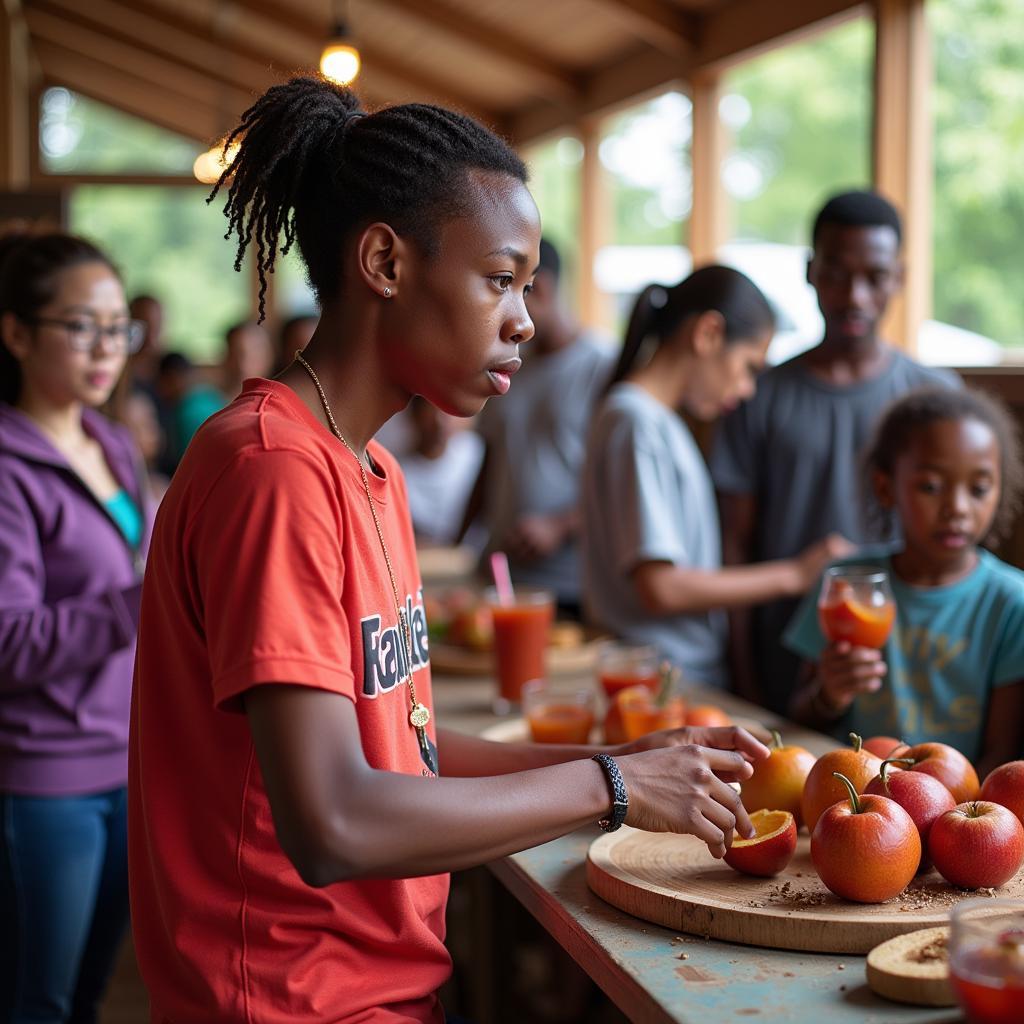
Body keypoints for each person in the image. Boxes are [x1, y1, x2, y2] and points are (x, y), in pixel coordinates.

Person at [129, 76, 770, 1024]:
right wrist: (613, 785)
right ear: (385, 261)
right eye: (500, 279)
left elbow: (405, 754)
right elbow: (336, 820)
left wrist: (622, 754)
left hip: (376, 985)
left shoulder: (369, 471)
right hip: (284, 998)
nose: (522, 317)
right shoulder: (272, 471)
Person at [711, 190, 960, 712]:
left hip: (910, 672)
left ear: (900, 277)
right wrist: (744, 680)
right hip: (782, 666)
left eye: (874, 276)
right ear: (810, 271)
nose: (855, 296)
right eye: (837, 273)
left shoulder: (935, 399)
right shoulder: (757, 395)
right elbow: (735, 542)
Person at [0, 232, 150, 1022]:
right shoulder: (7, 467)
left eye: (119, 327)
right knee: (39, 1001)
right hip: (44, 774)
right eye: (82, 325)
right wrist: (141, 601)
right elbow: (8, 640)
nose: (106, 348)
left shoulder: (108, 443)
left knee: (89, 990)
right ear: (17, 332)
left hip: (126, 760)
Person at [581, 267, 851, 689]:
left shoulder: (651, 421)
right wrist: (795, 574)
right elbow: (661, 588)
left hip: (666, 675)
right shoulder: (636, 422)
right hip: (662, 680)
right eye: (748, 367)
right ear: (708, 333)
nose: (746, 389)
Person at [785, 387, 1024, 776]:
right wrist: (830, 694)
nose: (958, 509)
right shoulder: (847, 585)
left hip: (958, 814)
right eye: (930, 486)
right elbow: (801, 718)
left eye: (979, 489)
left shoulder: (1012, 603)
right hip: (855, 801)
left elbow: (1002, 754)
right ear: (885, 487)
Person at [462, 237, 613, 616]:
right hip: (501, 578)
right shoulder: (508, 365)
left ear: (539, 288)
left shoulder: (604, 366)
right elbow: (491, 460)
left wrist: (560, 526)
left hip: (571, 586)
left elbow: (620, 480)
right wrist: (461, 543)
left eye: (508, 291)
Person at [396, 395, 484, 545]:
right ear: (414, 414)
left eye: (446, 411)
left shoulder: (474, 453)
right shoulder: (398, 470)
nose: (440, 420)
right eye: (431, 409)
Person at [155, 350, 226, 467]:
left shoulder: (185, 412)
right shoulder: (211, 396)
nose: (160, 390)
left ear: (172, 378)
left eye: (162, 383)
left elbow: (187, 464)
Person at [221, 318, 275, 397]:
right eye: (236, 354)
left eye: (254, 356)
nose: (243, 366)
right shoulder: (204, 403)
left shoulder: (282, 402)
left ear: (269, 357)